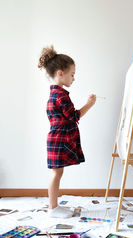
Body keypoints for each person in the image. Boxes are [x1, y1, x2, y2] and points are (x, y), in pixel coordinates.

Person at [38, 45, 96, 218]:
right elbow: (73, 116)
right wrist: (89, 104)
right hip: (59, 138)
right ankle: (53, 208)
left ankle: (54, 206)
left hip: (58, 137)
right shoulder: (60, 95)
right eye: (72, 74)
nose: (74, 78)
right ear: (60, 73)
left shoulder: (56, 94)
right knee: (57, 173)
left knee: (58, 172)